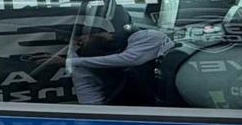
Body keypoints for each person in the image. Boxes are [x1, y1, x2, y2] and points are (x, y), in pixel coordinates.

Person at [35, 9, 172, 105]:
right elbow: (90, 105)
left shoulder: (145, 36)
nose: (78, 44)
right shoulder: (81, 64)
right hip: (132, 116)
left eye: (80, 37)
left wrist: (69, 62)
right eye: (74, 42)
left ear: (100, 32)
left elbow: (130, 59)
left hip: (180, 108)